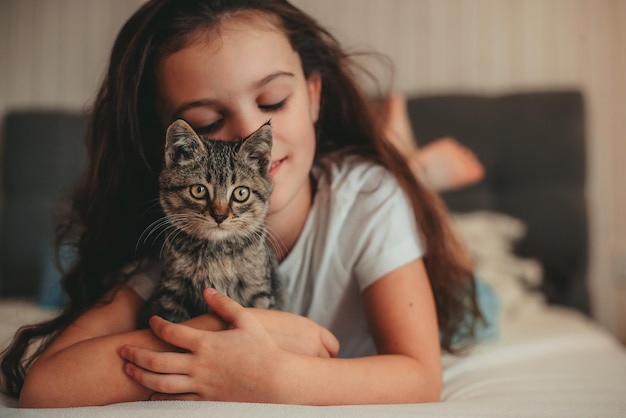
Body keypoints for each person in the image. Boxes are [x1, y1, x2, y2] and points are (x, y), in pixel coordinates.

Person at [0, 0, 481, 407]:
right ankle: (407, 164)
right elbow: (45, 387)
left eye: (272, 102)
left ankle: (412, 168)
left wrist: (271, 373)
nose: (252, 137)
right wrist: (220, 344)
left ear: (313, 96)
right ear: (172, 150)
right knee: (59, 269)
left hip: (380, 212)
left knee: (476, 294)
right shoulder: (180, 233)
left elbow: (422, 375)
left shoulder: (369, 200)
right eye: (207, 124)